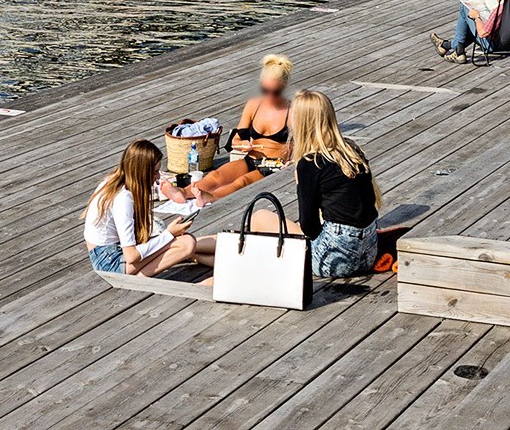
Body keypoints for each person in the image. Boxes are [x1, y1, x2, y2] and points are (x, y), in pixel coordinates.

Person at [245, 90, 380, 278]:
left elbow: (309, 227)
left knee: (259, 219)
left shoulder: (310, 163)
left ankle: (198, 250)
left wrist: (301, 186)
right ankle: (196, 249)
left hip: (332, 260)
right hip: (368, 254)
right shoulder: (350, 150)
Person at [161, 54, 293, 204]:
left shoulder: (292, 111)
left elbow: (306, 144)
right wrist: (241, 144)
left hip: (275, 165)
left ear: (283, 87)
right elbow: (234, 140)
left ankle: (210, 197)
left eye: (274, 92)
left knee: (242, 181)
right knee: (216, 175)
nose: (269, 96)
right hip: (252, 159)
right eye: (265, 90)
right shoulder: (254, 105)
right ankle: (183, 192)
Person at [85, 140, 215, 277]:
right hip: (109, 262)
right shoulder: (123, 199)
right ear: (140, 172)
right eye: (155, 172)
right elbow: (131, 256)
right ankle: (136, 279)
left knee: (186, 241)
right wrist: (169, 234)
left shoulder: (114, 181)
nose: (158, 177)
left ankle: (206, 252)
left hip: (111, 250)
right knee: (187, 244)